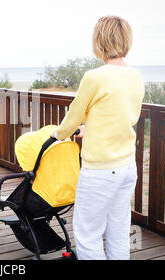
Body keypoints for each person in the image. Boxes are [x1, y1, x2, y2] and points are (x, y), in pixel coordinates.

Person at [50, 16, 144, 260]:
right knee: (119, 231)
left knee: (88, 234)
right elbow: (120, 116)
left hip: (100, 170)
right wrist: (88, 130)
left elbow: (73, 115)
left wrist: (60, 133)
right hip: (126, 167)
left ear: (99, 41)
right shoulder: (136, 76)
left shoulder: (95, 77)